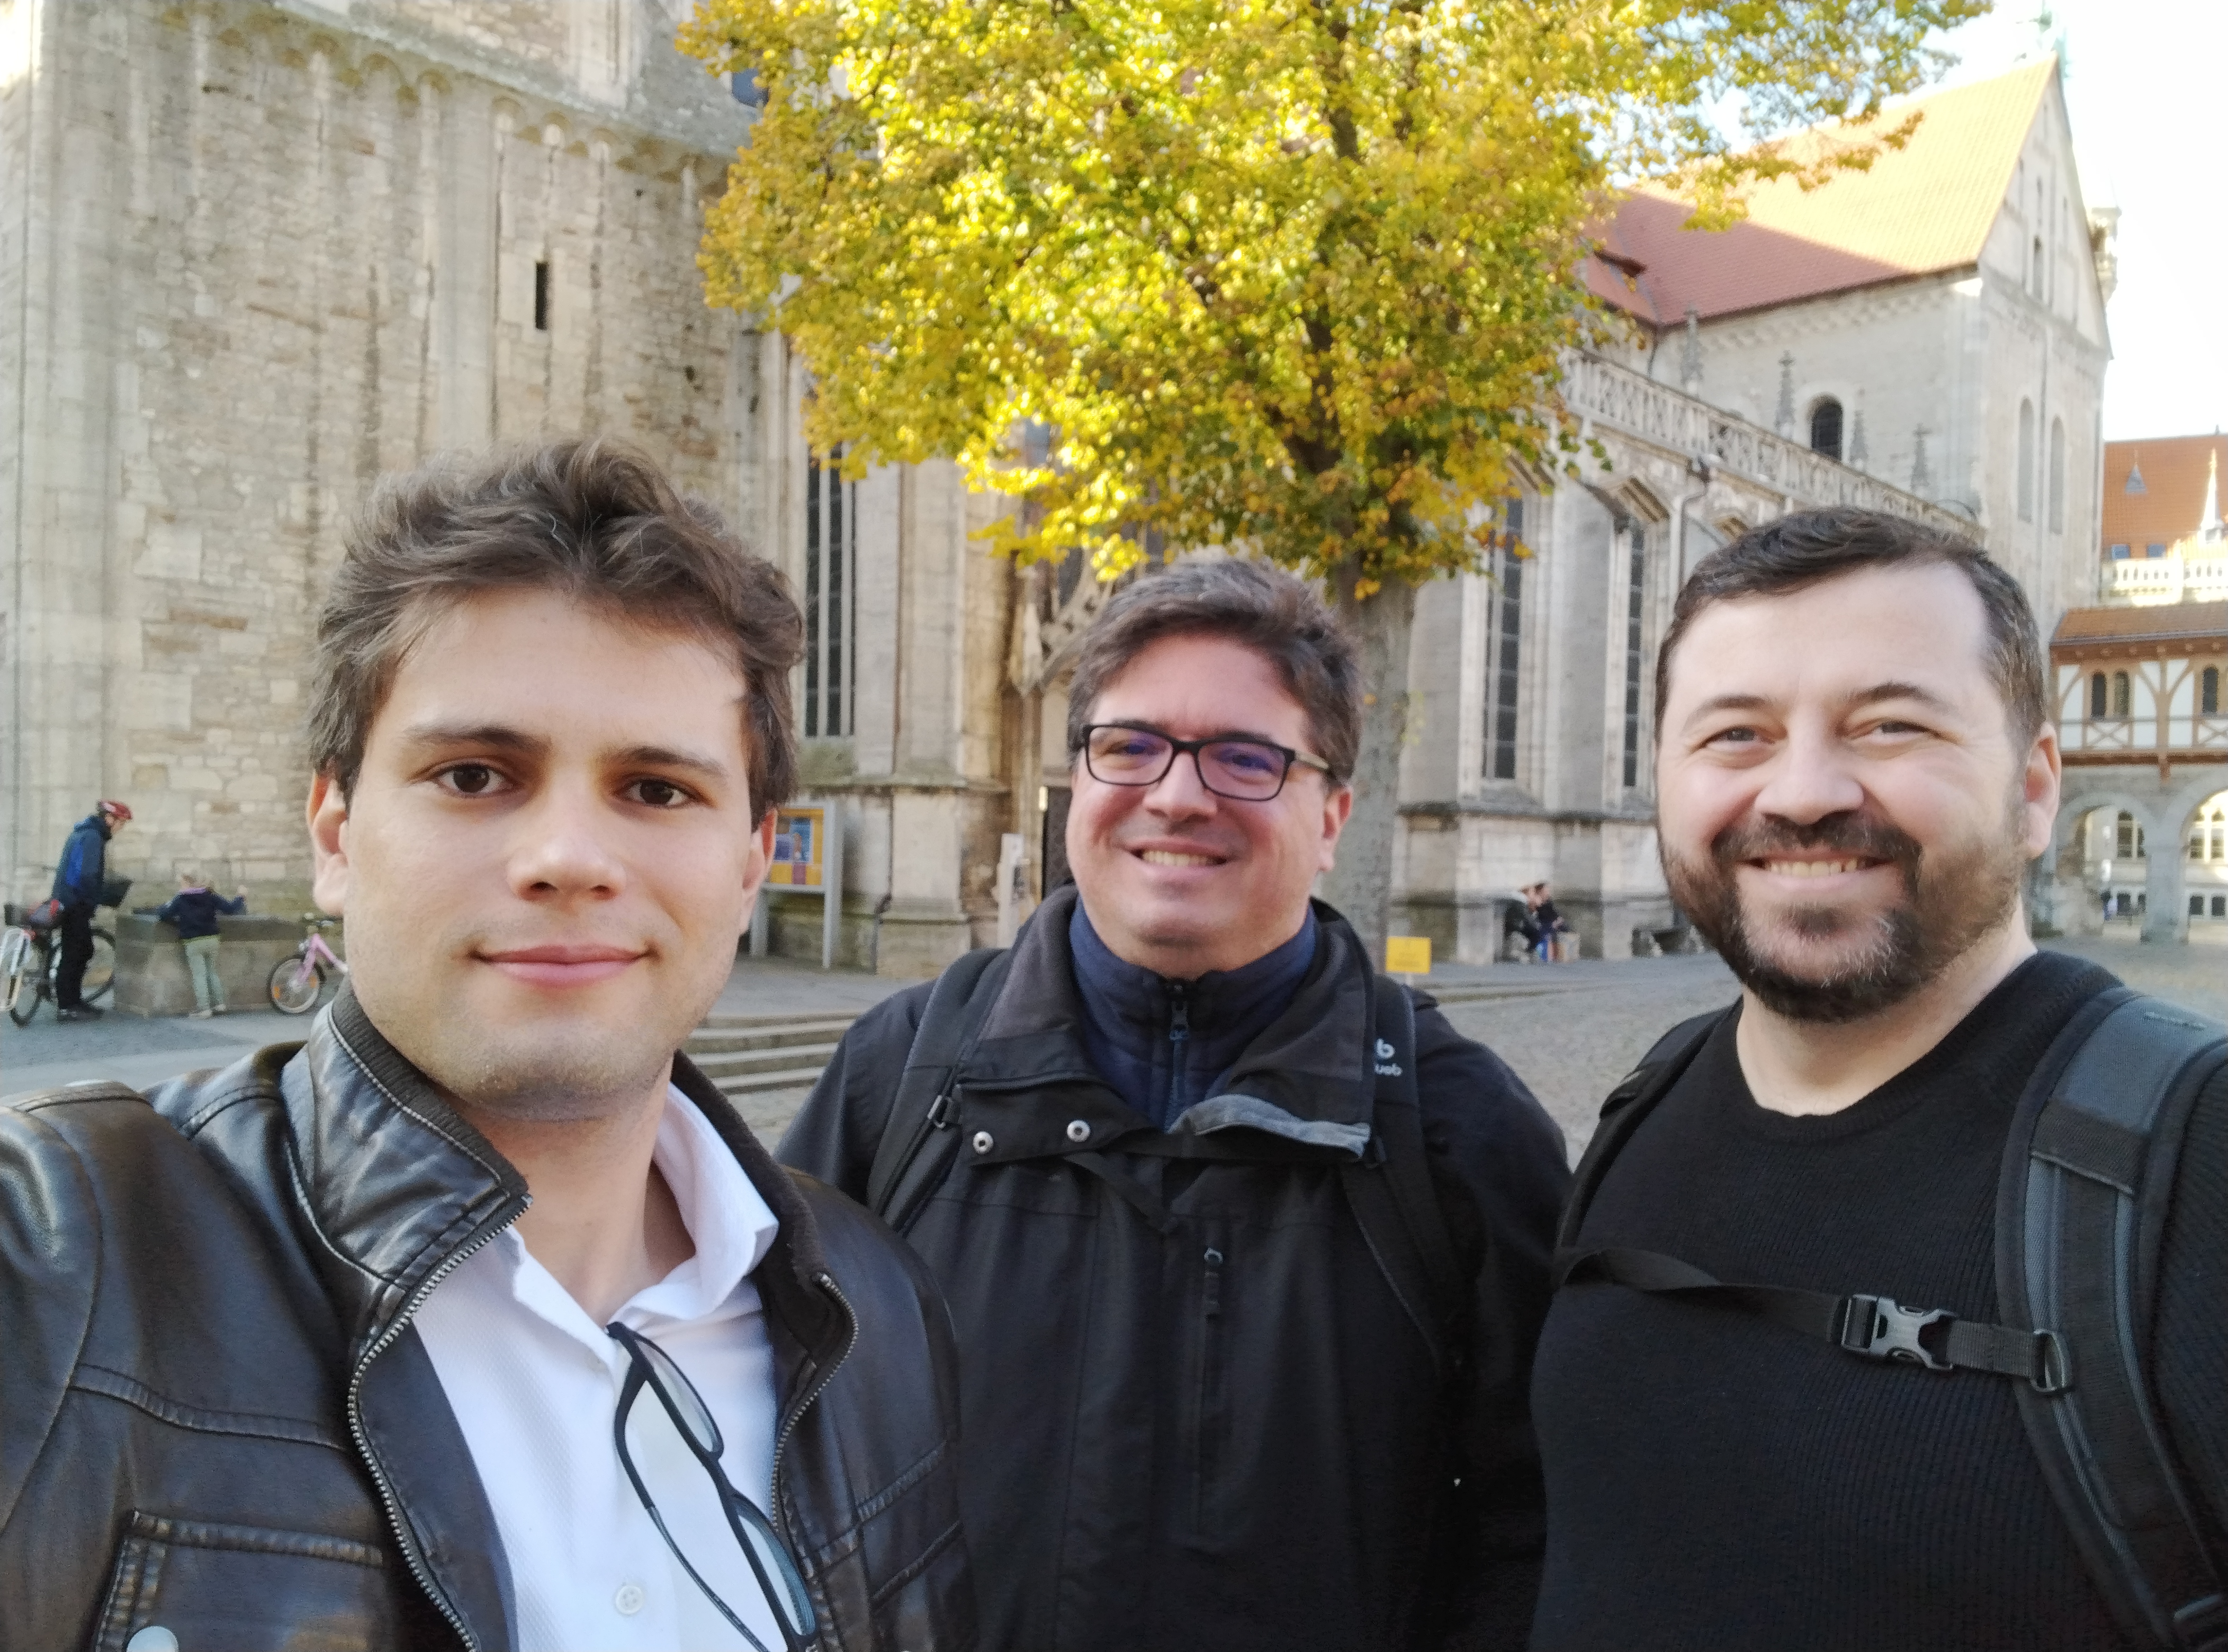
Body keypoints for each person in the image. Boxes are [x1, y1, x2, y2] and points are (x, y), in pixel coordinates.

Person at [0, 441, 974, 1651]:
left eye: (657, 789)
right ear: (337, 829)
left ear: (749, 860)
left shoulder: (873, 1308)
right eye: (474, 774)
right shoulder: (65, 1265)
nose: (567, 853)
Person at [783, 558, 1570, 1652]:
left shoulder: (1454, 1128)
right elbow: (770, 1434)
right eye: (1131, 745)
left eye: (1244, 758)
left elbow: (1541, 1525)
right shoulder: (901, 1080)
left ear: (1332, 814)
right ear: (1081, 778)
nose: (1177, 793)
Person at [1531, 509, 2228, 1651]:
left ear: (2036, 785)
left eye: (1891, 726)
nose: (1801, 793)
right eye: (1735, 737)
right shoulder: (1644, 1107)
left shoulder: (2193, 1156)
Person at [49, 797, 130, 1019]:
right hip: (75, 903)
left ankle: (74, 1001)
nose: (121, 828)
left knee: (80, 950)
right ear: (109, 819)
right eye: (121, 823)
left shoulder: (85, 832)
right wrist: (97, 896)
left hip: (68, 900)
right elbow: (87, 875)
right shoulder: (93, 837)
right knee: (76, 952)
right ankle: (67, 1006)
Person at [155, 870, 249, 1016]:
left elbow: (163, 914)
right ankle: (220, 1004)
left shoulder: (181, 898)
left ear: (187, 883)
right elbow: (231, 909)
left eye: (181, 883)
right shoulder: (211, 896)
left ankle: (204, 1008)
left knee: (199, 975)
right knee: (212, 972)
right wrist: (241, 896)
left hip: (193, 941)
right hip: (212, 940)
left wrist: (165, 905)